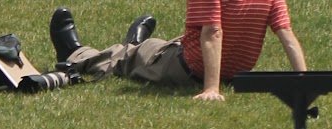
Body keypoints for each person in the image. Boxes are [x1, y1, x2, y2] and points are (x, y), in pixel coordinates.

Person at [50, 1, 306, 100]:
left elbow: (213, 33)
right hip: (230, 69)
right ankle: (136, 42)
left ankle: (76, 54)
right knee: (164, 44)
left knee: (131, 58)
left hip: (192, 68)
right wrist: (303, 79)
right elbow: (286, 35)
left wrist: (211, 89)